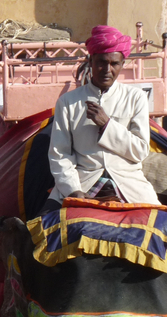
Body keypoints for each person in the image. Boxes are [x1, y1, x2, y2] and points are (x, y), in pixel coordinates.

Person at [44, 25, 158, 212]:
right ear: (90, 61)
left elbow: (140, 150)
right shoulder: (68, 101)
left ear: (122, 64)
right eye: (101, 62)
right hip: (83, 181)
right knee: (41, 231)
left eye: (114, 64)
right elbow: (59, 153)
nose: (107, 69)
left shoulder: (135, 98)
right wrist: (73, 190)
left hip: (128, 183)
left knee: (163, 232)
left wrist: (107, 125)